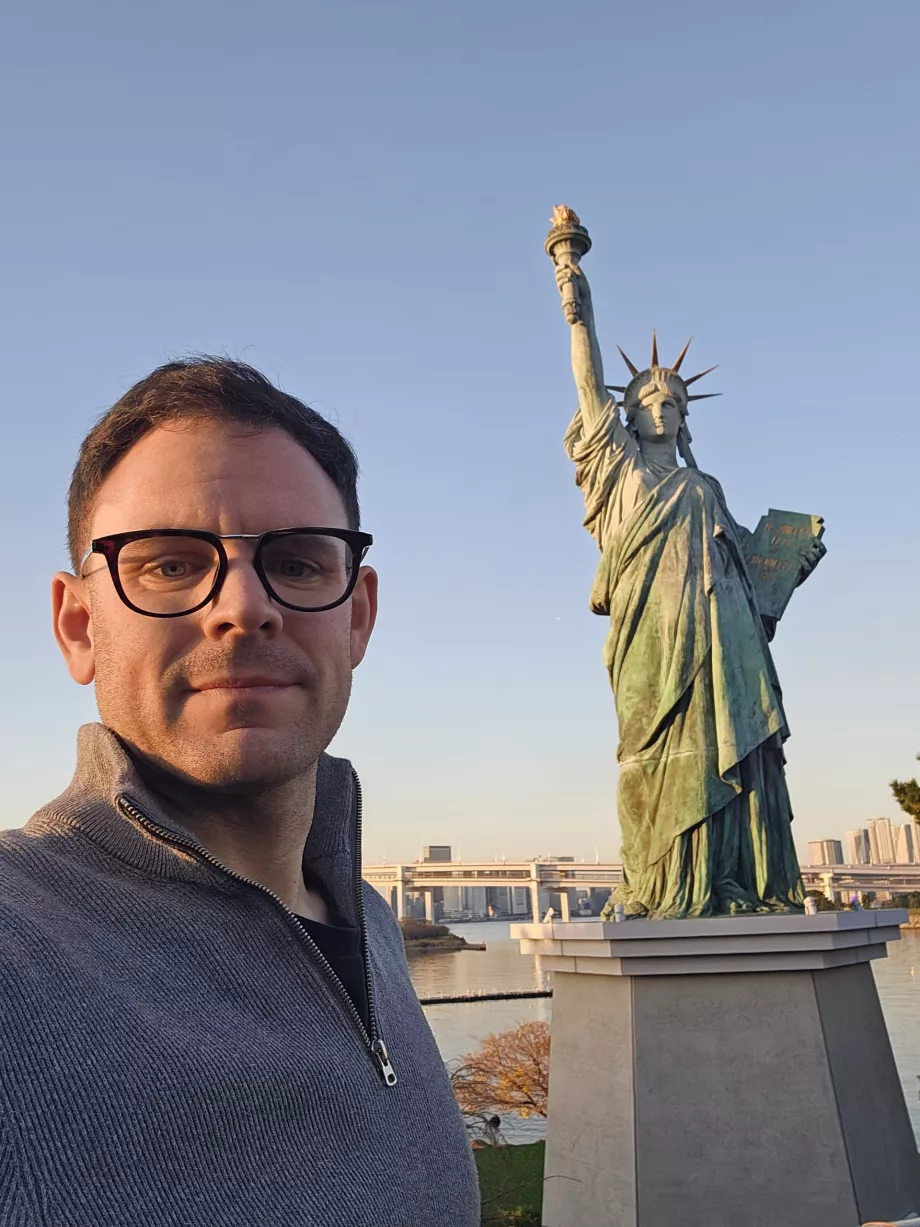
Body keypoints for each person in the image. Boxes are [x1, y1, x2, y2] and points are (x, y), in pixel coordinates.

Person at [0, 358, 480, 1226]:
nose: (244, 606)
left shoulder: (368, 919)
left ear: (358, 616)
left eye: (297, 563)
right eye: (171, 565)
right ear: (78, 627)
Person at [553, 255, 825, 919]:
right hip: (654, 632)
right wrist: (574, 289)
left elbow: (752, 579)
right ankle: (673, 881)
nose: (664, 408)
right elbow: (588, 384)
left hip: (726, 636)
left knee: (733, 744)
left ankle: (733, 876)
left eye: (674, 402)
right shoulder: (618, 470)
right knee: (663, 754)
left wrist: (793, 565)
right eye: (651, 401)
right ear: (630, 415)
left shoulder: (706, 488)